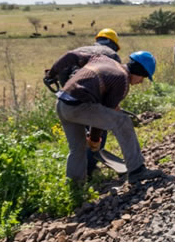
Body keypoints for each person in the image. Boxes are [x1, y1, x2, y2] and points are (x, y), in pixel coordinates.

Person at [51, 50, 162, 183]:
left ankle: (75, 186)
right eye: (143, 77)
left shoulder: (101, 58)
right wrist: (94, 139)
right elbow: (105, 112)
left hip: (62, 104)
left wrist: (52, 74)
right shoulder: (122, 80)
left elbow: (71, 55)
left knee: (77, 148)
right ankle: (137, 170)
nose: (141, 82)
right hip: (78, 106)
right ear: (139, 71)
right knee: (123, 122)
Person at [45, 28, 122, 178]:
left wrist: (69, 90)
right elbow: (112, 80)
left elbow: (63, 71)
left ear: (97, 39)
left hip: (70, 100)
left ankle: (77, 179)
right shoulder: (112, 56)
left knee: (77, 142)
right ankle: (90, 167)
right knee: (99, 130)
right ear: (114, 44)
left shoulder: (81, 50)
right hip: (91, 97)